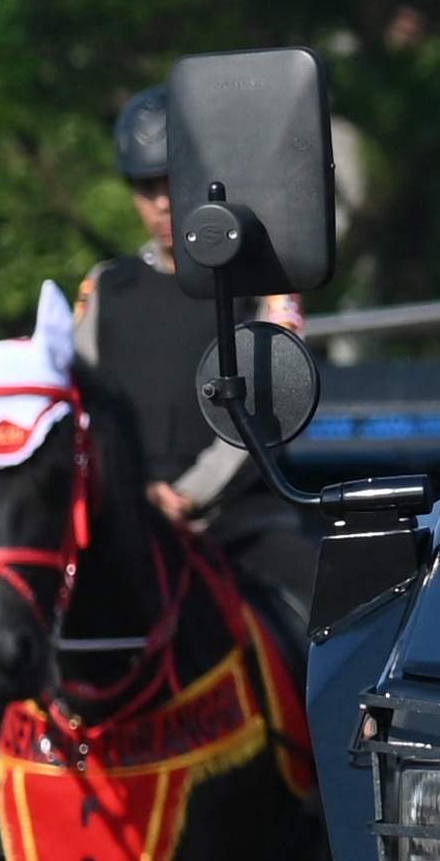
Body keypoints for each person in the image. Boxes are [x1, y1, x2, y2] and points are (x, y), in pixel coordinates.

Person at [80, 85, 318, 630]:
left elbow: (269, 404)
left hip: (239, 524)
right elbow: (82, 409)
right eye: (146, 188)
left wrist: (187, 496)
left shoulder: (260, 283)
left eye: (173, 183)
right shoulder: (106, 289)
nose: (163, 202)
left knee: (332, 610)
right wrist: (131, 495)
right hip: (128, 523)